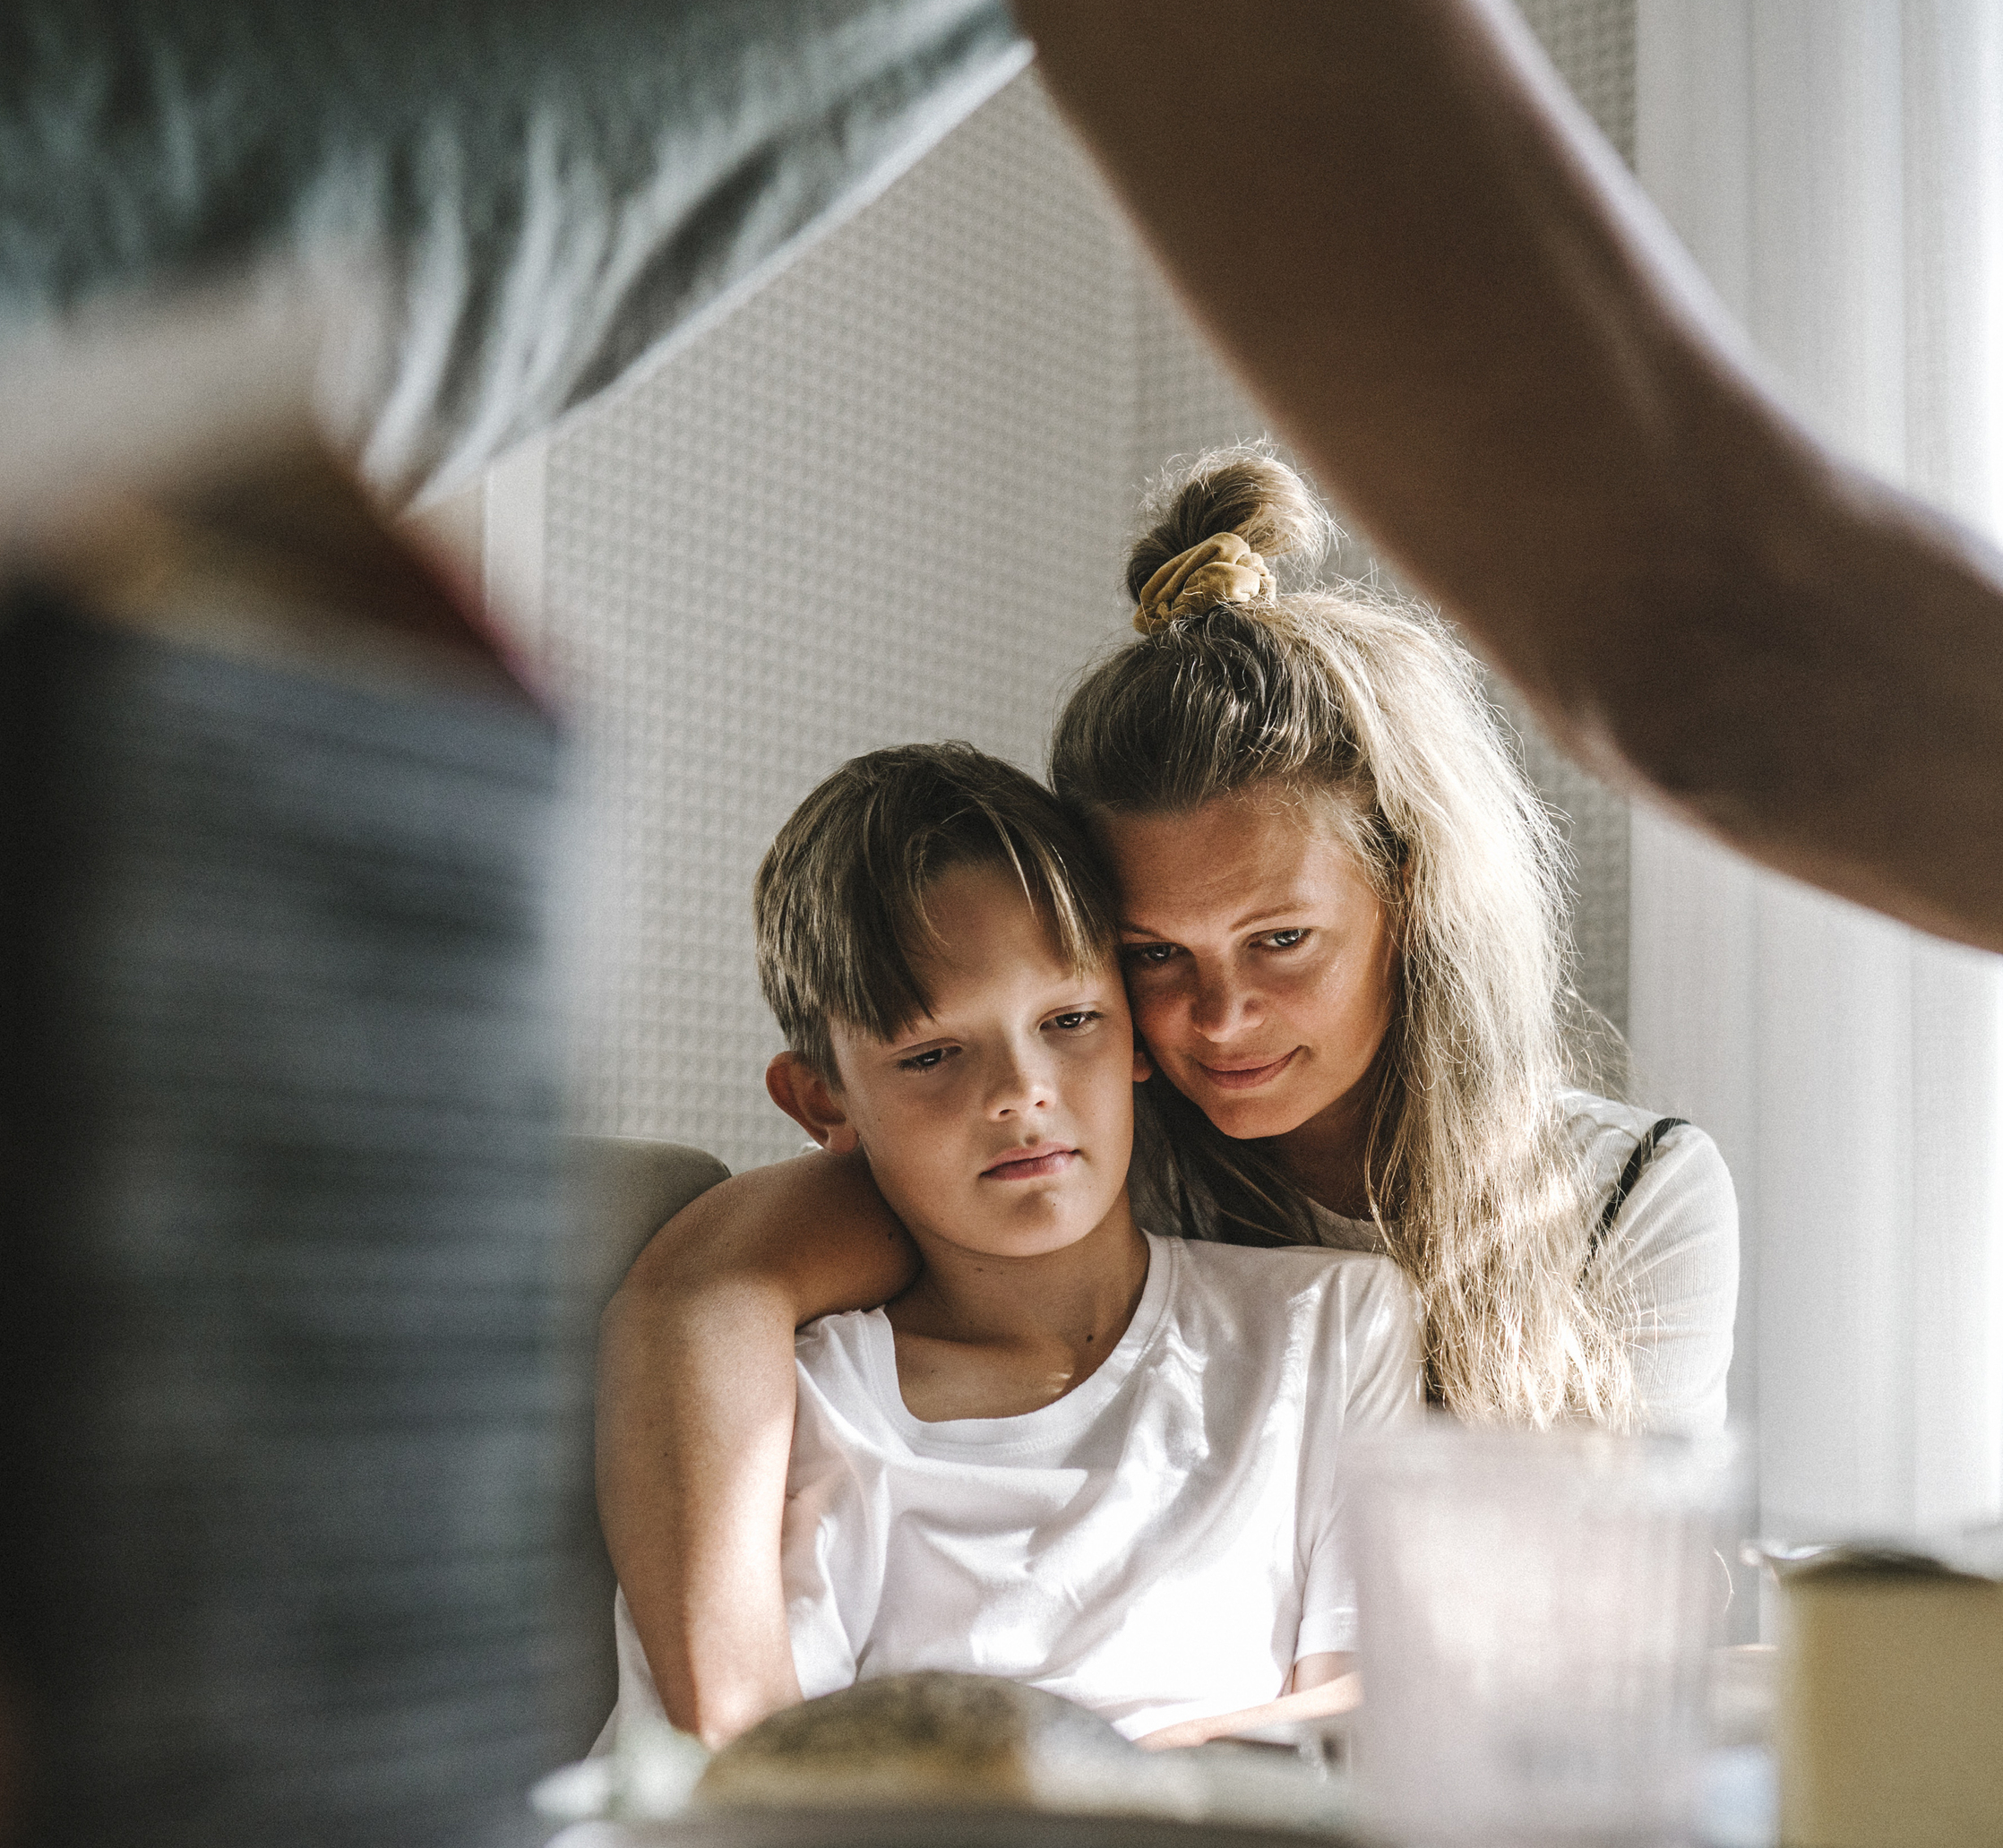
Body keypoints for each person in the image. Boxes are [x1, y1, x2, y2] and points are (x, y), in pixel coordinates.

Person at [0, 0, 2003, 1491]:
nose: (1163, 1034)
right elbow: (1720, 621)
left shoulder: (1609, 1202)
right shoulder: (1033, 1186)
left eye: (1260, 949)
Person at [600, 452, 1737, 1741]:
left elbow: (1609, 1646)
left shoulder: (1623, 1200)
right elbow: (705, 1288)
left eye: (1281, 941)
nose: (1219, 1019)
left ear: (1412, 903)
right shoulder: (1073, 1161)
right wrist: (744, 1733)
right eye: (1153, 956)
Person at [604, 741, 1420, 1751]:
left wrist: (1065, 1790)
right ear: (820, 1101)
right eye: (933, 1055)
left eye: (1070, 1019)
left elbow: (1372, 1727)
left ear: (1136, 1038)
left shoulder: (1330, 1324)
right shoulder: (805, 1413)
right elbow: (739, 1785)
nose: (1021, 1092)